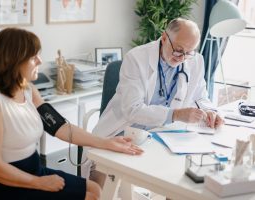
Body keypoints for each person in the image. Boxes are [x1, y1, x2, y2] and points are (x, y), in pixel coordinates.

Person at [0, 27, 143, 200]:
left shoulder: (27, 89)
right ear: (13, 60)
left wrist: (105, 142)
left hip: (33, 170)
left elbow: (59, 126)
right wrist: (39, 183)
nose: (39, 61)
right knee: (90, 196)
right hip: (3, 185)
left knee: (95, 190)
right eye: (33, 57)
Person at [82, 18, 224, 179]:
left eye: (189, 52)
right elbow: (132, 109)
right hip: (123, 131)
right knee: (100, 184)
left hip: (164, 136)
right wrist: (175, 115)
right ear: (164, 38)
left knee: (180, 179)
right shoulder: (136, 58)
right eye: (178, 50)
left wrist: (211, 111)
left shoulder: (196, 61)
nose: (182, 58)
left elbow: (200, 96)